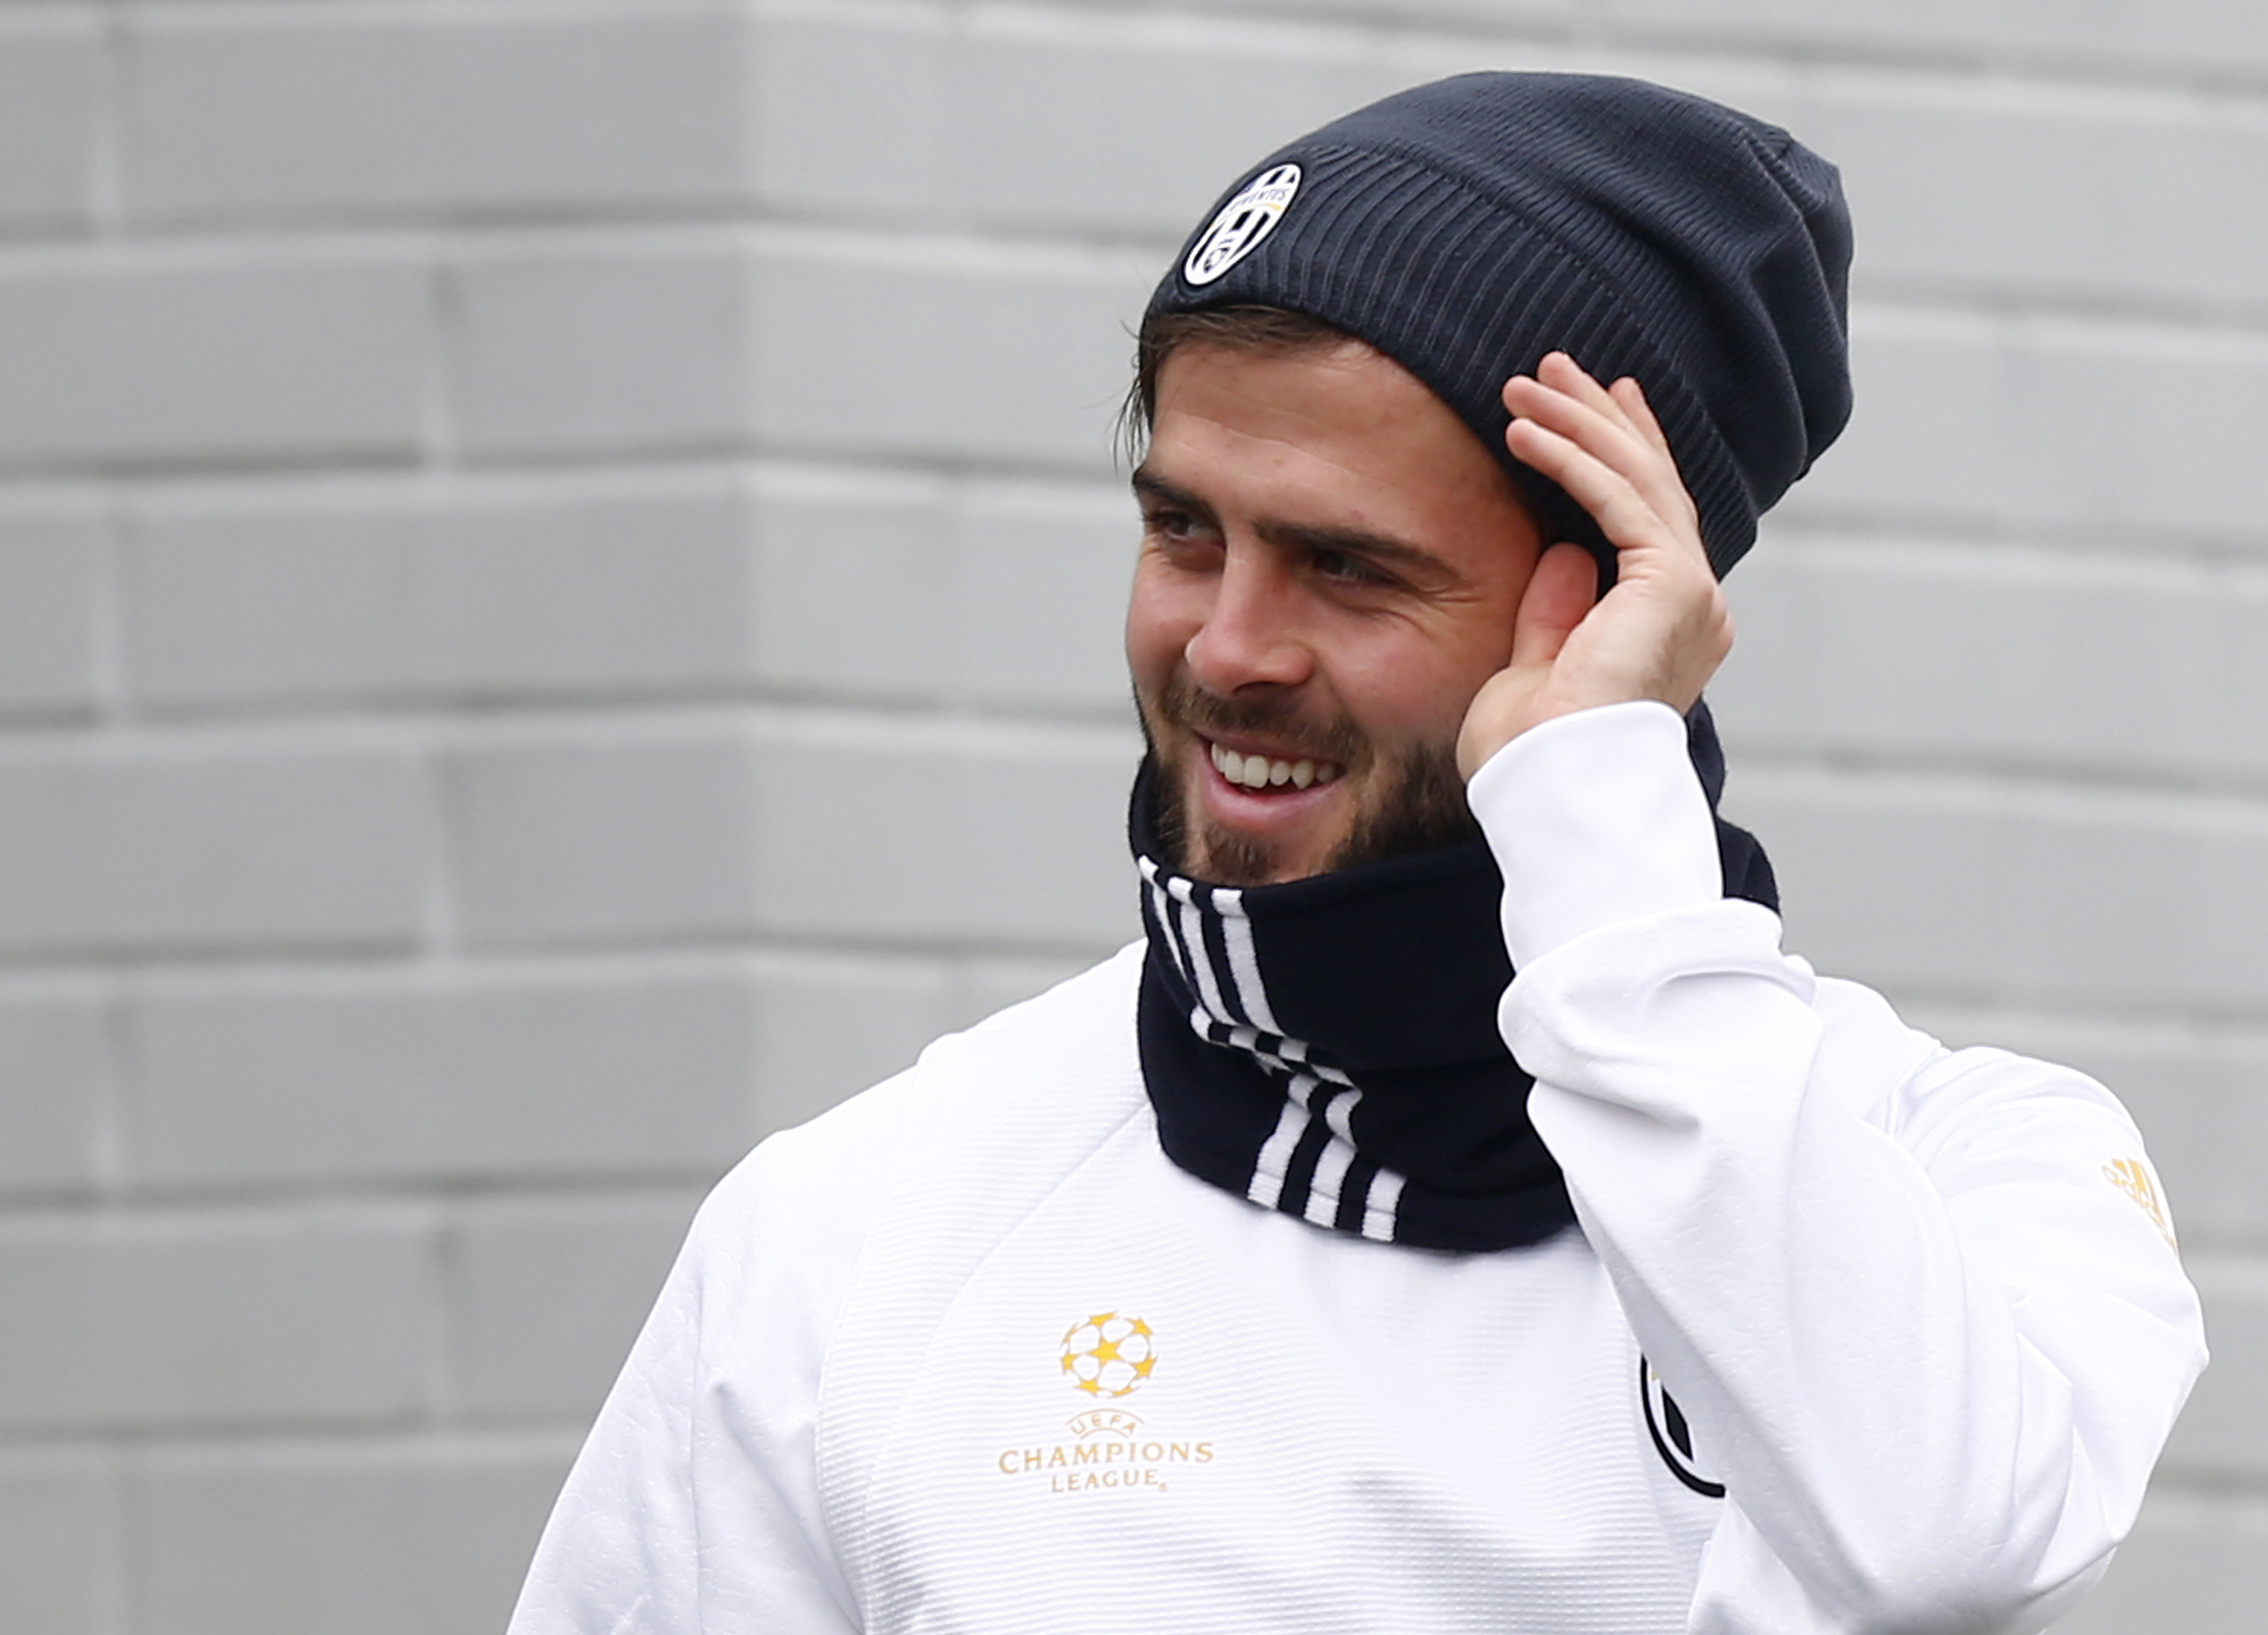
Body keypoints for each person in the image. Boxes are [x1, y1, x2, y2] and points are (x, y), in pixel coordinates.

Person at [506, 72, 2206, 1634]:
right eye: (1184, 531)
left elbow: (1936, 1546)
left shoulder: (1975, 1171)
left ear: (1619, 598)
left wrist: (1601, 833)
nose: (1225, 646)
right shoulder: (855, 1229)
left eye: (1345, 565)